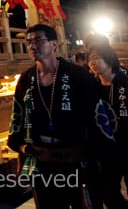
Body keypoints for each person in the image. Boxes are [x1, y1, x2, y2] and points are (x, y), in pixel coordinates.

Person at [7, 23, 104, 209]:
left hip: (75, 160)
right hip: (41, 161)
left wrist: (97, 154)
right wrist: (20, 150)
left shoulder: (77, 75)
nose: (32, 46)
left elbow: (95, 116)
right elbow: (17, 116)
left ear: (54, 44)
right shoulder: (26, 79)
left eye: (38, 40)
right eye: (29, 42)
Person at [87, 44, 128, 208]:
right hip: (107, 148)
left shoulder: (124, 80)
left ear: (109, 58)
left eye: (96, 57)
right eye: (90, 59)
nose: (92, 62)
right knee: (109, 192)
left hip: (127, 143)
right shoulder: (92, 85)